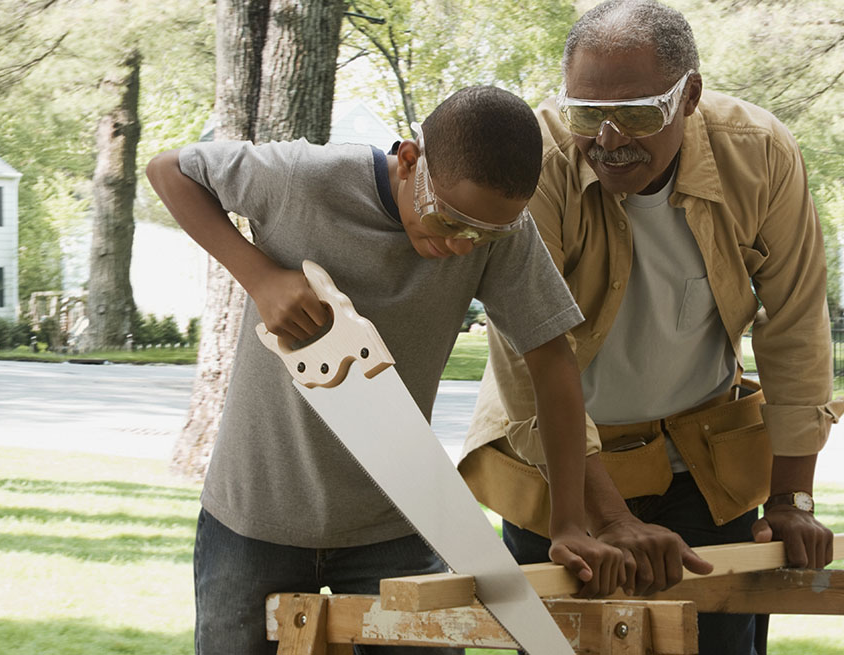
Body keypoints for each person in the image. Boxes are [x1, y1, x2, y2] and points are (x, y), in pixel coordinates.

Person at [146, 85, 627, 655]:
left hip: (399, 523)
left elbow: (553, 365)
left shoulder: (503, 232)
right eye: (450, 220)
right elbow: (169, 170)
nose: (462, 245)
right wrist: (258, 275)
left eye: (485, 234)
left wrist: (570, 521)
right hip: (254, 519)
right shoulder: (303, 177)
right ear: (409, 161)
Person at [458, 3, 844, 654]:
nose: (610, 138)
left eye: (638, 113)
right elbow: (530, 358)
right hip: (562, 477)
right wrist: (606, 516)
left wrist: (792, 498)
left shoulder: (759, 152)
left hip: (705, 473)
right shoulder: (536, 161)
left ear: (690, 94)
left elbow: (796, 327)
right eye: (586, 115)